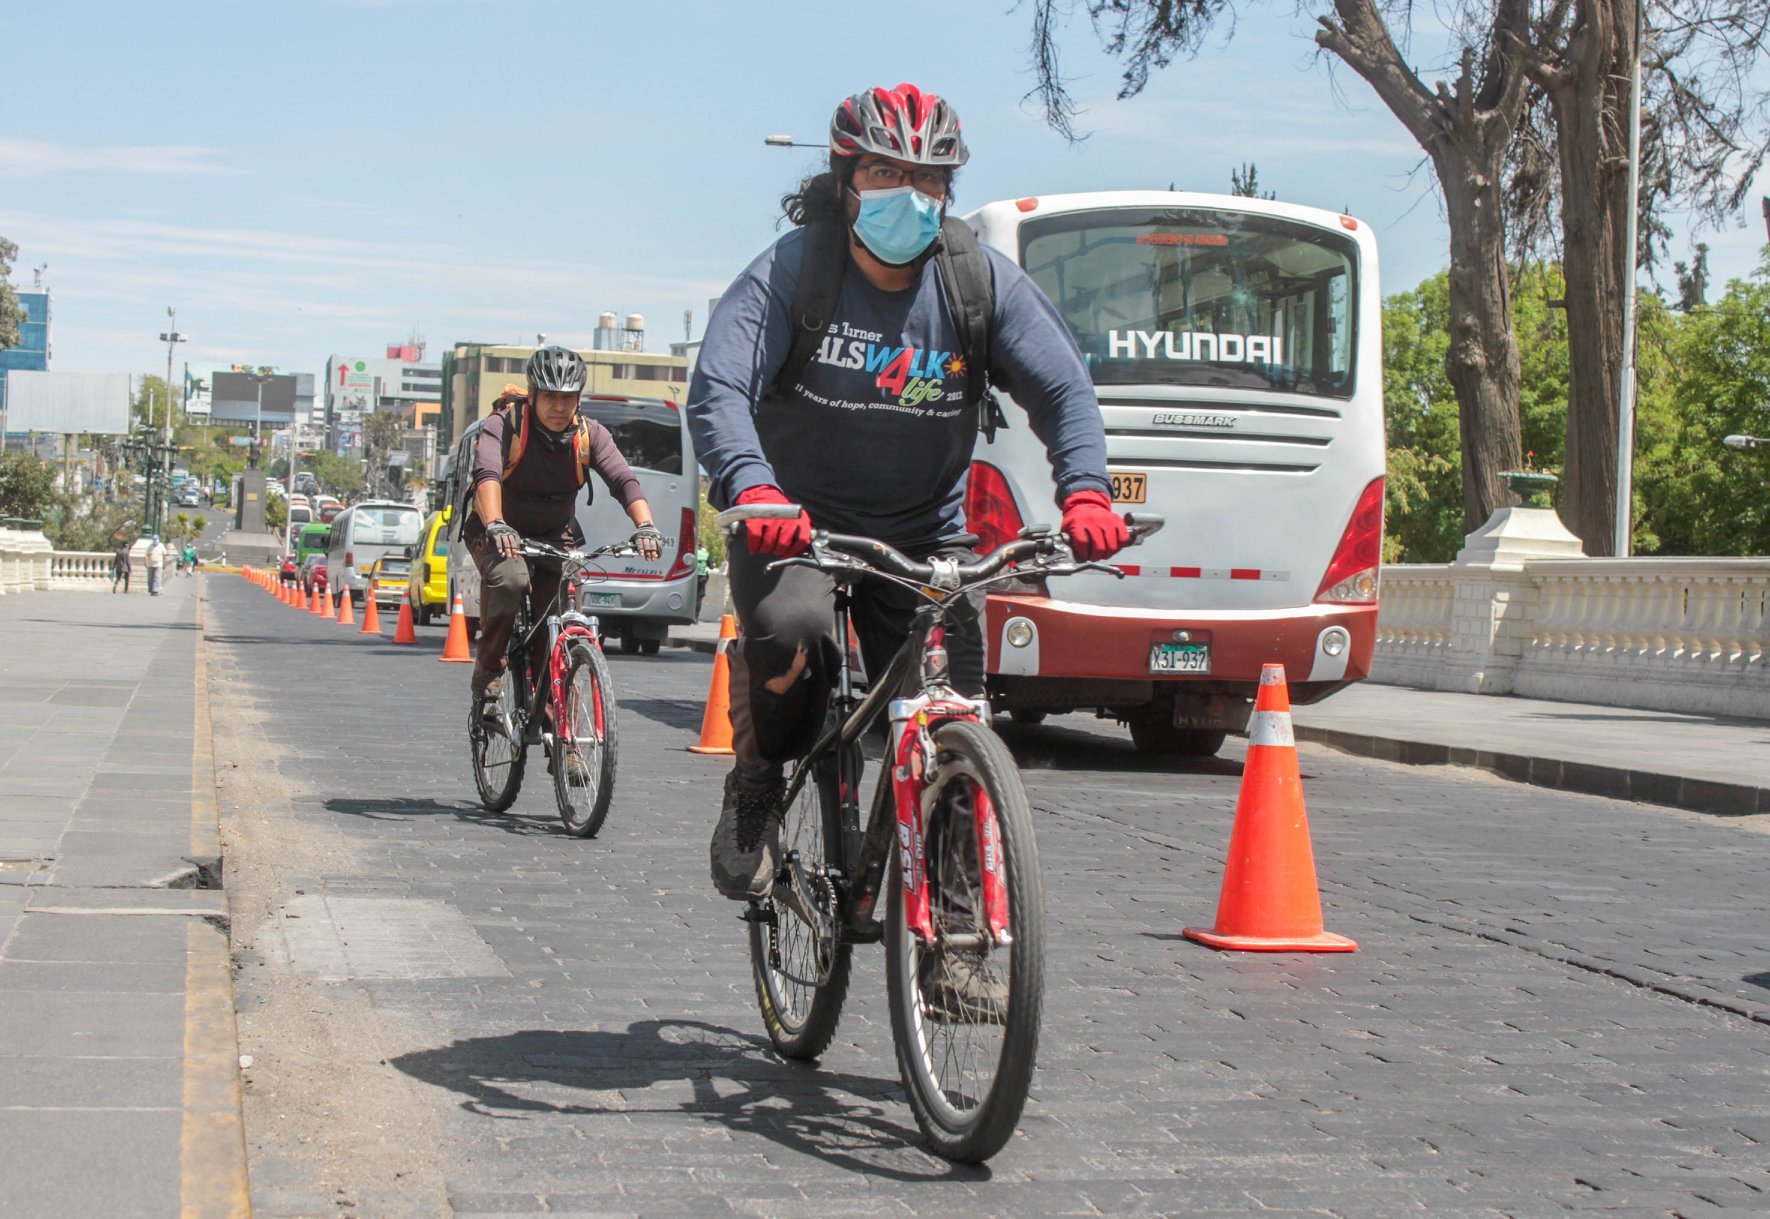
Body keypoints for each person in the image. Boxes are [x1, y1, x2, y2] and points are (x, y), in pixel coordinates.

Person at [687, 82, 1129, 909]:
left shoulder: (974, 281)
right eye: (891, 174)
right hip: (797, 530)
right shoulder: (793, 272)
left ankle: (958, 937)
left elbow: (1065, 391)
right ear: (846, 178)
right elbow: (718, 388)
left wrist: (1087, 494)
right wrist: (753, 485)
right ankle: (755, 783)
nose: (913, 198)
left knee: (956, 716)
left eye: (931, 181)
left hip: (927, 535)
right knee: (791, 634)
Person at [466, 345, 664, 728]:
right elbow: (486, 475)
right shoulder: (505, 425)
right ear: (534, 394)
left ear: (579, 398)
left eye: (568, 398)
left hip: (556, 536)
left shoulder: (591, 435)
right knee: (512, 579)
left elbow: (623, 479)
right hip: (497, 528)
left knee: (558, 625)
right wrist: (496, 524)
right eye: (551, 397)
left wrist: (645, 526)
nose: (559, 406)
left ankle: (564, 730)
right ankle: (489, 671)